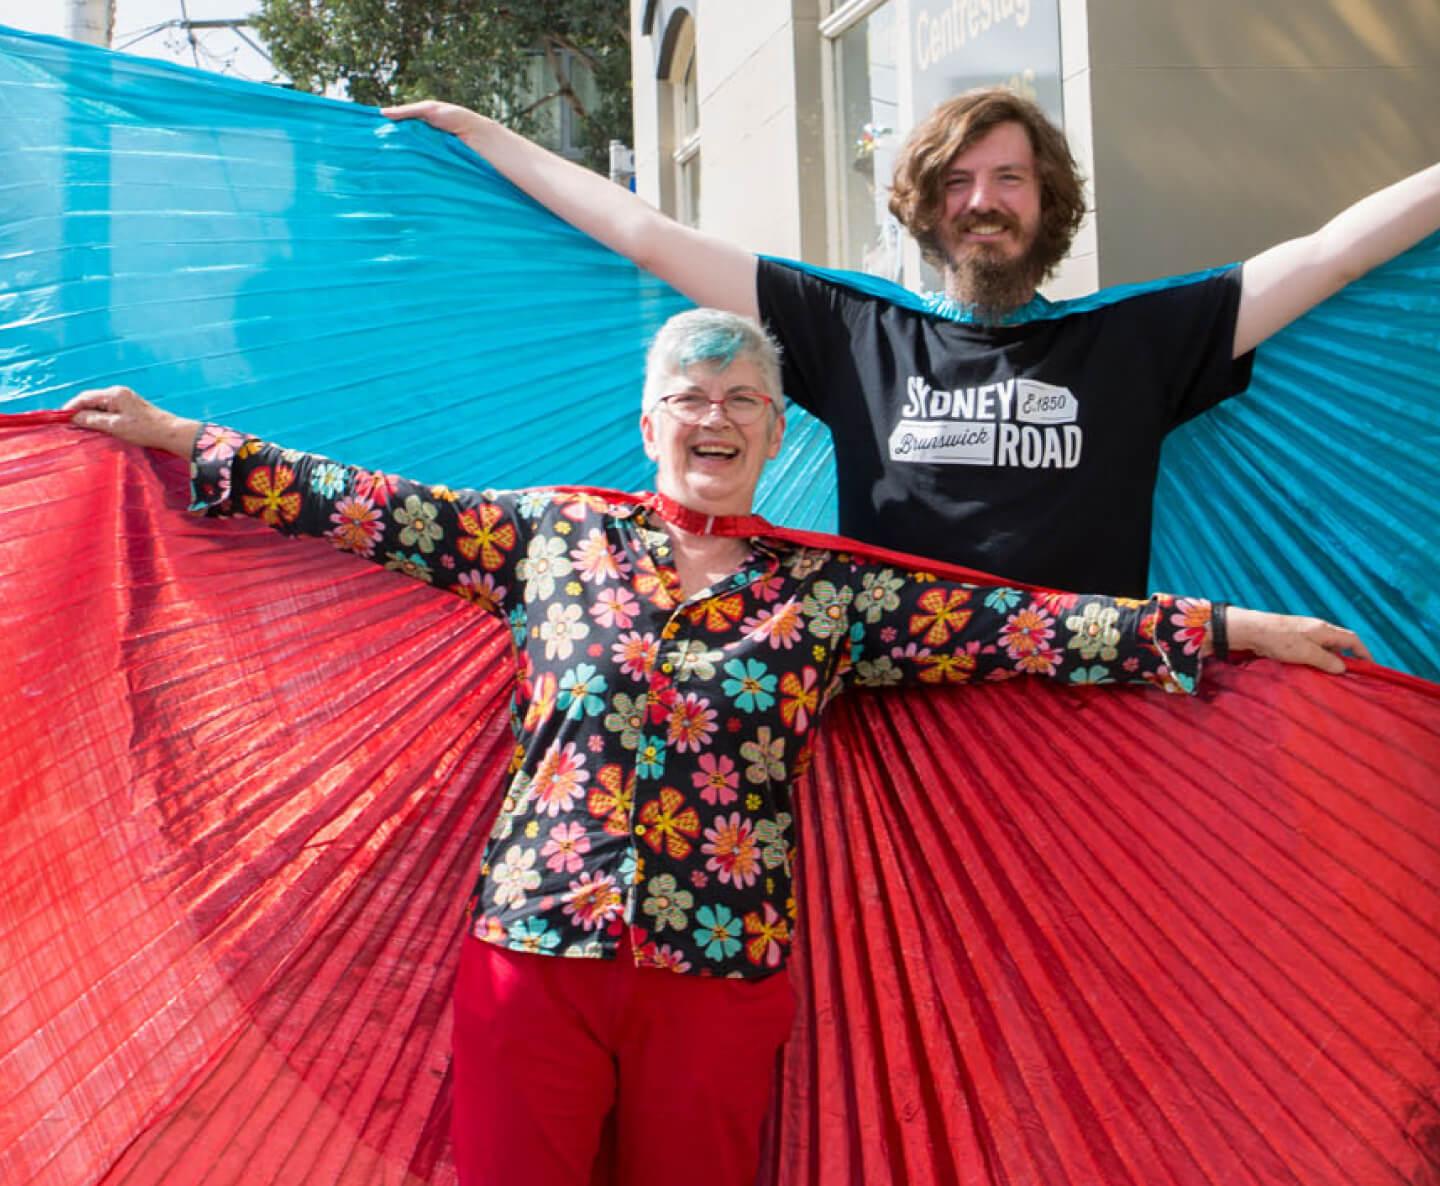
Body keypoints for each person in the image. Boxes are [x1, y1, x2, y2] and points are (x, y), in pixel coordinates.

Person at [65, 309, 1370, 1186]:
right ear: (649, 424)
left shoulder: (836, 598)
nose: (716, 416)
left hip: (721, 969)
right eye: (690, 398)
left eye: (745, 399)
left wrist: (1231, 628)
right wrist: (188, 444)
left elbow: (1026, 627)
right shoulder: (549, 537)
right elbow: (368, 508)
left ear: (775, 428)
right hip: (533, 954)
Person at [382, 88, 1440, 594]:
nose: (984, 202)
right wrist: (488, 137)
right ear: (927, 207)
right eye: (960, 182)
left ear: (1047, 203)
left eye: (1010, 179)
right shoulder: (854, 331)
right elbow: (646, 235)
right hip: (898, 730)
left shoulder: (1140, 342)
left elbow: (1331, 256)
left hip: (1090, 721)